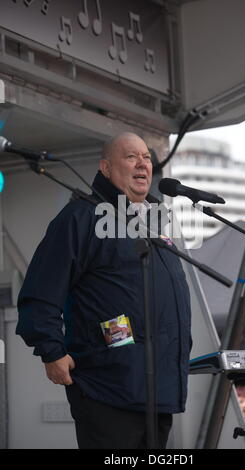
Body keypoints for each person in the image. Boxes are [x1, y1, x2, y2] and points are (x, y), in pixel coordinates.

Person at [16, 132, 192, 449]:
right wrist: (51, 350)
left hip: (159, 390)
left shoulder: (155, 224)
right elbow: (40, 291)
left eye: (147, 158)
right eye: (131, 157)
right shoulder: (80, 217)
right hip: (106, 387)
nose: (143, 164)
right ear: (105, 168)